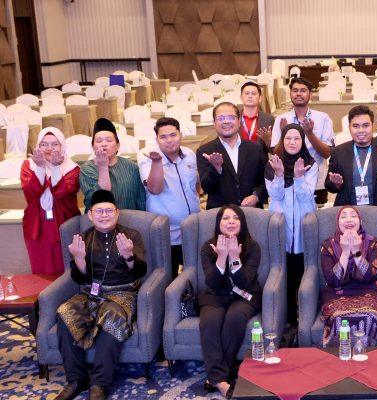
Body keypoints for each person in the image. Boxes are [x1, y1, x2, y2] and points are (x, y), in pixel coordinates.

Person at [52, 190, 147, 400]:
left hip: (123, 294)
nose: (104, 215)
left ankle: (99, 383)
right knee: (64, 312)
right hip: (90, 294)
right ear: (90, 215)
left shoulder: (131, 236)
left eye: (109, 210)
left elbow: (140, 272)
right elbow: (79, 278)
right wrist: (79, 259)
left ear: (117, 213)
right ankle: (76, 379)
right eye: (99, 211)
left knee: (112, 317)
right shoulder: (83, 238)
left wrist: (129, 256)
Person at [199, 205, 262, 398]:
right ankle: (220, 381)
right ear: (219, 223)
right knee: (209, 322)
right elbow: (212, 282)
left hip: (244, 295)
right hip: (216, 294)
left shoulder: (252, 246)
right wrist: (221, 258)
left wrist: (234, 257)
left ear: (242, 223)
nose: (231, 222)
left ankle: (216, 378)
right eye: (226, 218)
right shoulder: (208, 247)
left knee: (235, 318)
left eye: (236, 218)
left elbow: (245, 282)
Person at [265, 124, 318, 326]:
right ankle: (286, 320)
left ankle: (306, 318)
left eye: (297, 138)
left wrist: (299, 178)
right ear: (282, 140)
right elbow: (275, 195)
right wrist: (279, 175)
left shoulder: (310, 164)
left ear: (303, 141)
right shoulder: (273, 164)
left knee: (304, 269)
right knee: (283, 270)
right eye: (288, 138)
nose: (292, 142)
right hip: (281, 222)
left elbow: (306, 196)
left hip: (304, 221)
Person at [138, 117, 201, 278]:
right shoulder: (147, 156)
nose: (169, 140)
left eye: (173, 135)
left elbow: (196, 184)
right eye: (163, 137)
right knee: (168, 277)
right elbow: (155, 189)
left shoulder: (189, 154)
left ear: (181, 135)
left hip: (192, 227)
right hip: (167, 231)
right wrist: (157, 162)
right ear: (156, 139)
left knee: (194, 274)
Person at [319, 206, 377, 347]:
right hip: (337, 293)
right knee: (340, 318)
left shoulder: (373, 242)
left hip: (370, 291)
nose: (349, 220)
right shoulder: (328, 245)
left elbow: (373, 276)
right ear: (338, 223)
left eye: (353, 216)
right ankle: (340, 355)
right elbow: (332, 280)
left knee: (369, 316)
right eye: (343, 216)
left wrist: (356, 251)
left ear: (360, 221)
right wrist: (345, 252)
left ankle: (362, 353)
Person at [20, 127, 80, 274]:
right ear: (38, 146)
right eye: (44, 144)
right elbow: (31, 192)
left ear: (62, 145)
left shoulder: (72, 168)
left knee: (65, 266)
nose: (49, 148)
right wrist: (40, 168)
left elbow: (62, 193)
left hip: (64, 221)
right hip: (36, 224)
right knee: (41, 268)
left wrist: (55, 168)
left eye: (55, 144)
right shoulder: (28, 165)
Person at [325, 105, 377, 209]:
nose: (361, 130)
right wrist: (336, 184)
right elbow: (328, 185)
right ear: (349, 128)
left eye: (366, 125)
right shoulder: (338, 152)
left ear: (373, 126)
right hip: (348, 213)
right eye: (356, 126)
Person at [270, 77, 334, 204]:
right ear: (290, 94)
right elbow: (276, 154)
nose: (298, 94)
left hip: (316, 182)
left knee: (314, 216)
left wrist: (310, 134)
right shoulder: (281, 119)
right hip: (287, 180)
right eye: (295, 90)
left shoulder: (323, 118)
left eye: (303, 90)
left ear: (310, 94)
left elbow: (327, 153)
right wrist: (284, 134)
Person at [197, 102, 267, 209]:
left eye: (231, 117)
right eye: (221, 118)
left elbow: (266, 181)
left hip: (251, 211)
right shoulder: (205, 151)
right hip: (221, 213)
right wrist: (216, 169)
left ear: (239, 121)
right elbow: (206, 187)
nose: (226, 121)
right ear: (214, 123)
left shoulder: (255, 148)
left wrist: (256, 196)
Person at [80, 118, 146, 210]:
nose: (104, 144)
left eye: (109, 140)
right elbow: (100, 198)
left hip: (130, 217)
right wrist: (103, 167)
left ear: (118, 145)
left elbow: (141, 199)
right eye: (99, 141)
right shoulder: (87, 168)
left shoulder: (131, 167)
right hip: (100, 218)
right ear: (93, 147)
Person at [239, 81, 275, 151]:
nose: (250, 96)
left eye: (254, 93)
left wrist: (268, 141)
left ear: (260, 98)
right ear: (241, 97)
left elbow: (274, 149)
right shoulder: (234, 118)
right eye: (246, 93)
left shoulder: (269, 119)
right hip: (237, 157)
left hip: (260, 157)